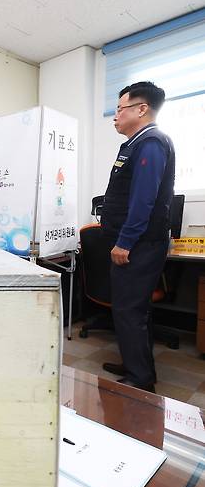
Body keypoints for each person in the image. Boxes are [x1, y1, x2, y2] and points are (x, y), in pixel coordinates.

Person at [100, 81, 175, 392]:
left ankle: (139, 381)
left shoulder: (152, 143)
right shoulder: (134, 144)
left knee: (130, 309)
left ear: (141, 109)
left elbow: (143, 200)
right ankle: (136, 364)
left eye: (120, 109)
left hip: (139, 244)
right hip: (133, 242)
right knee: (131, 308)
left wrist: (125, 242)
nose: (115, 116)